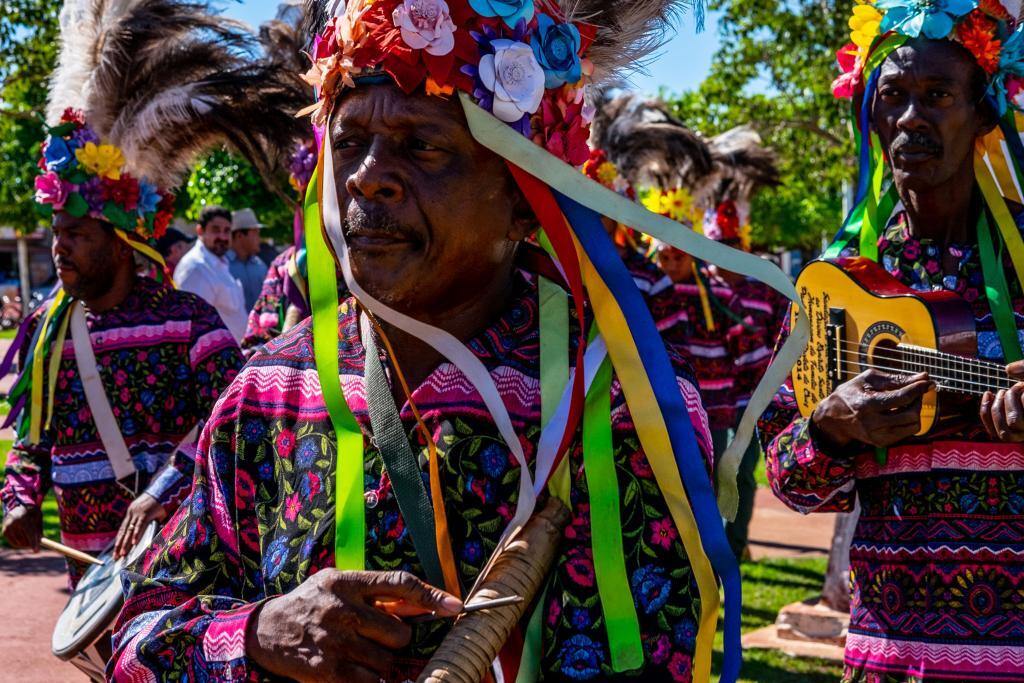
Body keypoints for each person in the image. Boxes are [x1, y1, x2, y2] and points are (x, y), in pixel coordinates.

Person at [109, 1, 751, 681]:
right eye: (350, 141)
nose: (365, 175)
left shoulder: (620, 410)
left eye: (423, 145)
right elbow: (138, 631)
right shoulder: (265, 394)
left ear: (521, 197)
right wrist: (261, 633)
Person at [759, 5, 1024, 680]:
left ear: (984, 116)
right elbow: (786, 475)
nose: (911, 118)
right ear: (872, 118)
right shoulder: (835, 284)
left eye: (937, 96)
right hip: (889, 657)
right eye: (894, 97)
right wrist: (829, 429)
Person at [174, 206, 248, 342]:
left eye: (227, 231)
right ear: (200, 231)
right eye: (216, 230)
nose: (223, 237)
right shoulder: (195, 268)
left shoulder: (219, 263)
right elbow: (193, 328)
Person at [228, 207, 270, 310]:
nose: (259, 238)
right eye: (255, 233)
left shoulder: (260, 266)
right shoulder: (222, 267)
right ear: (239, 236)